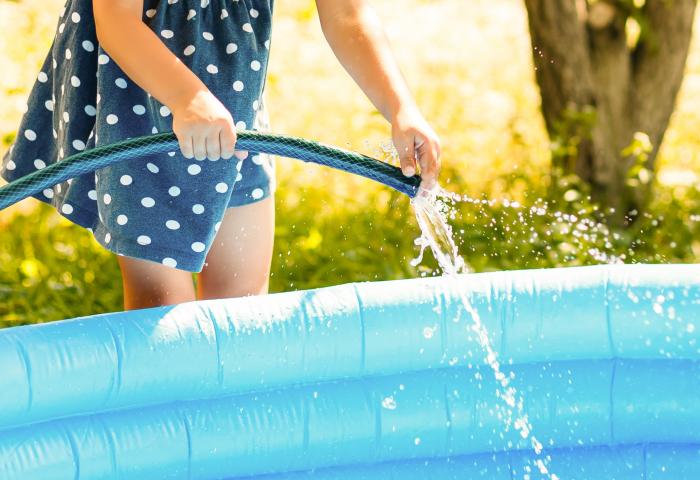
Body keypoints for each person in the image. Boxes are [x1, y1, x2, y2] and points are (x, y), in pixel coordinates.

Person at [0, 0, 441, 310]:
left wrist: (401, 108)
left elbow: (347, 12)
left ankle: (222, 432)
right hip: (140, 94)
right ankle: (165, 428)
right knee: (162, 303)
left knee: (242, 299)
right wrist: (185, 97)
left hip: (233, 102)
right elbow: (116, 18)